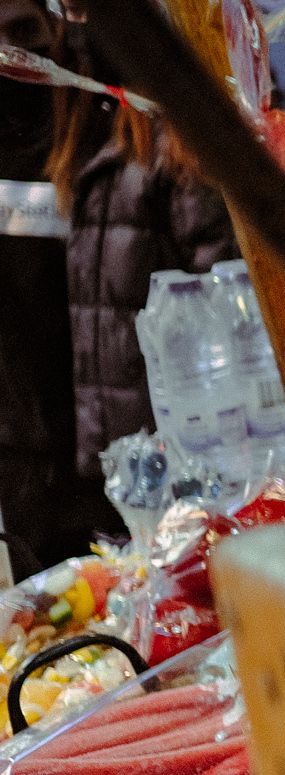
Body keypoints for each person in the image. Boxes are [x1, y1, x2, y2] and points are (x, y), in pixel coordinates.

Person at [46, 18, 238, 489]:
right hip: (134, 461)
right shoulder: (93, 129)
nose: (73, 22)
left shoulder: (176, 145)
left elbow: (225, 304)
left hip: (190, 460)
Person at [0, 0, 113, 573]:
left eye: (23, 32)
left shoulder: (98, 117)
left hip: (115, 453)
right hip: (25, 472)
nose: (12, 57)